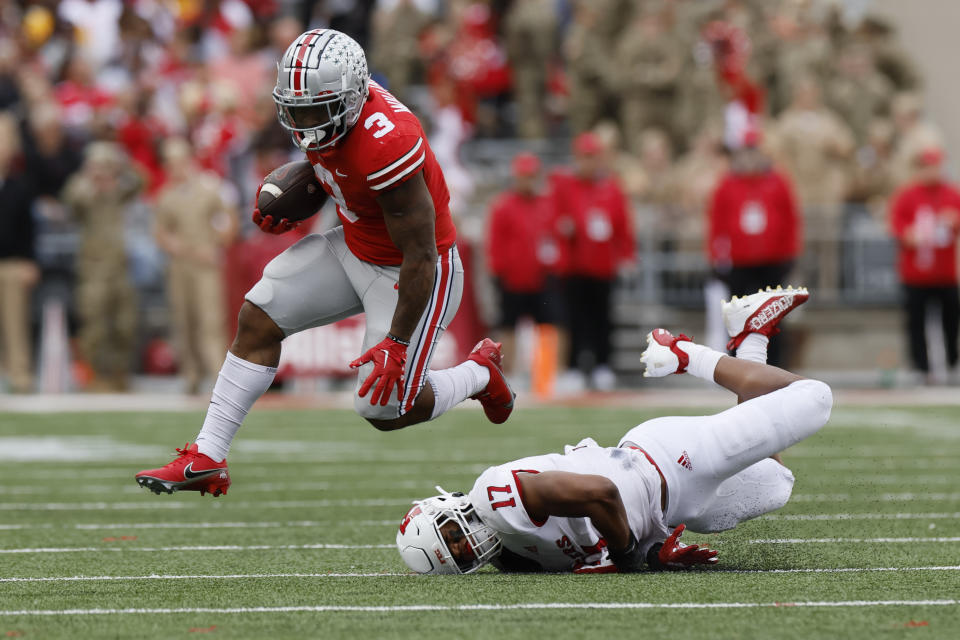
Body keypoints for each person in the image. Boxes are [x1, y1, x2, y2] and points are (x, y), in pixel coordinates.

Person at [135, 28, 514, 497]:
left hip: (415, 273)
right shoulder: (328, 107)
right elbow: (335, 170)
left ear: (351, 98)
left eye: (316, 109)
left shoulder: (388, 142)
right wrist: (300, 197)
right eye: (296, 109)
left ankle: (479, 373)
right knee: (259, 313)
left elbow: (421, 253)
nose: (305, 121)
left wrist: (397, 341)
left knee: (383, 408)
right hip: (356, 246)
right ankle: (208, 456)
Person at [396, 285, 829, 574]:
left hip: (667, 461)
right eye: (456, 555)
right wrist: (649, 552)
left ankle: (681, 354)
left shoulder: (494, 496)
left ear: (446, 507)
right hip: (674, 507)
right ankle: (751, 336)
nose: (465, 545)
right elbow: (599, 543)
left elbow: (599, 493)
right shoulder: (513, 558)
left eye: (452, 535)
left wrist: (628, 557)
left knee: (815, 398)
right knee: (776, 482)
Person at [707, 127, 802, 366]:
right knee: (738, 316)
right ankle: (737, 365)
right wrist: (716, 257)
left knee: (773, 317)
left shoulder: (777, 181)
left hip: (772, 260)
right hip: (739, 261)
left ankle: (775, 364)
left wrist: (790, 255)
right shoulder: (727, 184)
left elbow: (791, 220)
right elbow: (717, 223)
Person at [551, 132, 635, 390]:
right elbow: (554, 219)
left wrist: (627, 256)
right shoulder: (566, 186)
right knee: (575, 319)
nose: (589, 163)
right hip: (575, 266)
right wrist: (564, 229)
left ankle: (602, 365)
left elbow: (623, 225)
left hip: (603, 266)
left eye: (593, 157)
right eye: (585, 157)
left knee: (603, 318)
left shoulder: (611, 188)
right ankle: (576, 367)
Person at [153, 137, 238, 394]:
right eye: (169, 162)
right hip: (180, 265)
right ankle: (190, 374)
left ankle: (216, 372)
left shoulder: (208, 189)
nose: (174, 167)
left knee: (210, 319)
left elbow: (229, 218)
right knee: (184, 320)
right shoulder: (166, 195)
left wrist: (218, 245)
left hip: (205, 264)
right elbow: (160, 230)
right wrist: (174, 245)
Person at [62, 141, 142, 391]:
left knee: (124, 323)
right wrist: (91, 180)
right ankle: (95, 376)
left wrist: (120, 166)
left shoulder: (118, 188)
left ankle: (119, 374)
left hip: (119, 265)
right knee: (94, 324)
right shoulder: (81, 187)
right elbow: (71, 202)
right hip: (93, 267)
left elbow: (141, 182)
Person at [485, 152, 563, 377]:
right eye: (524, 175)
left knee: (548, 326)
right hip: (512, 278)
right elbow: (495, 241)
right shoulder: (503, 206)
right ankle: (507, 374)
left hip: (541, 277)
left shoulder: (546, 205)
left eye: (532, 176)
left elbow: (553, 237)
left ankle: (547, 374)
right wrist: (498, 271)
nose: (528, 180)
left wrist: (554, 267)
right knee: (509, 326)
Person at [888, 147, 960, 384]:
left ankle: (951, 363)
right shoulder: (908, 195)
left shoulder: (951, 194)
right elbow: (896, 225)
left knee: (951, 321)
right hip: (915, 274)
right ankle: (920, 366)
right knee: (915, 322)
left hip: (945, 273)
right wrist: (908, 234)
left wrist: (953, 220)